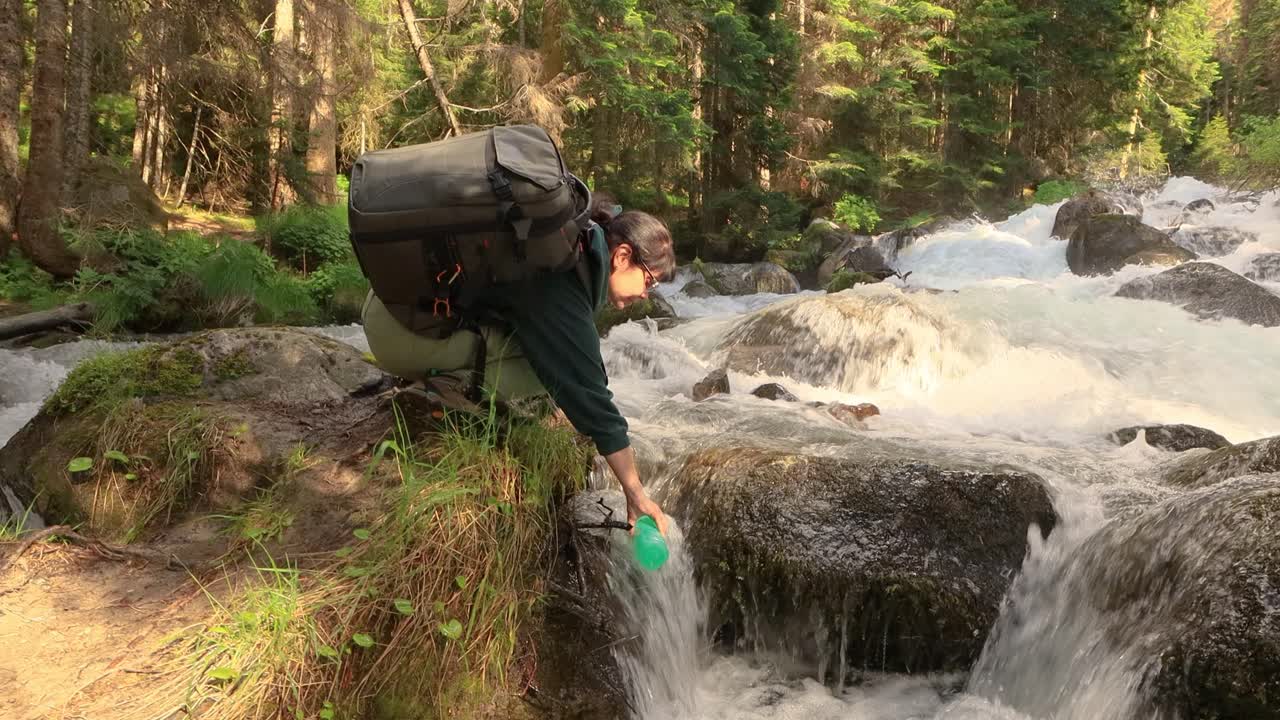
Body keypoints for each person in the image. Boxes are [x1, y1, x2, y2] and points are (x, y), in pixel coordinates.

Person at [360, 191, 675, 536]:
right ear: (623, 256)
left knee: (553, 357)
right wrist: (635, 493)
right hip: (397, 334)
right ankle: (447, 389)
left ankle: (445, 373)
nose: (646, 294)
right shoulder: (563, 276)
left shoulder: (569, 246)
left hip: (393, 307)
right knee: (547, 371)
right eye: (649, 280)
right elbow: (593, 398)